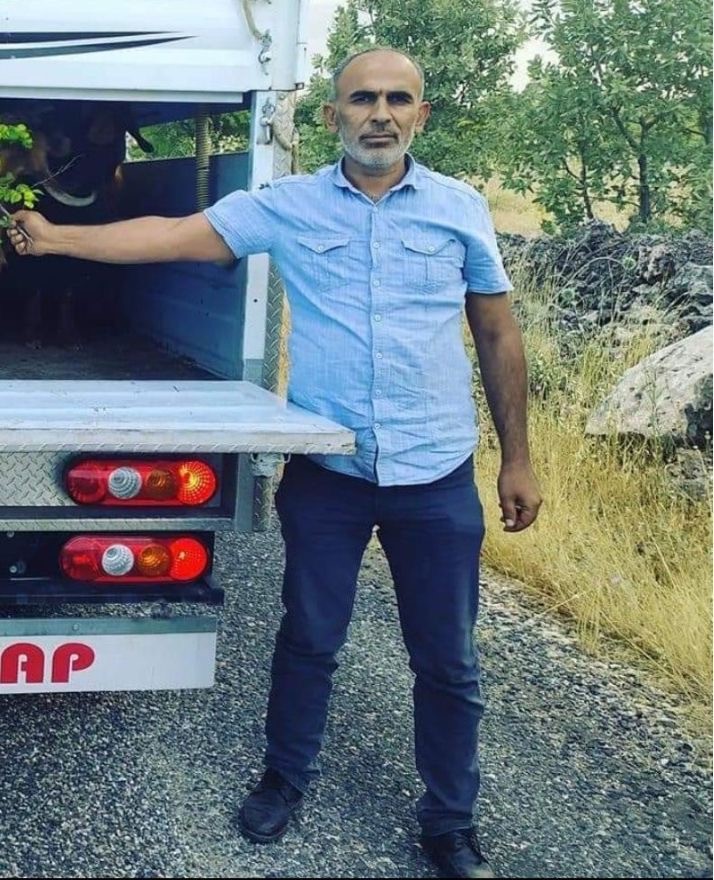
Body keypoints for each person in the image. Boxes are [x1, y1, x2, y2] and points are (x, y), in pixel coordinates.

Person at [7, 47, 543, 879]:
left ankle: (450, 822)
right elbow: (168, 235)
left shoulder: (460, 209)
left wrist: (520, 459)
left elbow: (498, 333)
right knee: (310, 638)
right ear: (332, 116)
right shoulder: (288, 206)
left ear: (421, 114)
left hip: (436, 475)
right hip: (330, 477)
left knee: (448, 661)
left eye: (397, 99)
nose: (379, 114)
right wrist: (53, 237)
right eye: (361, 98)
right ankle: (284, 781)